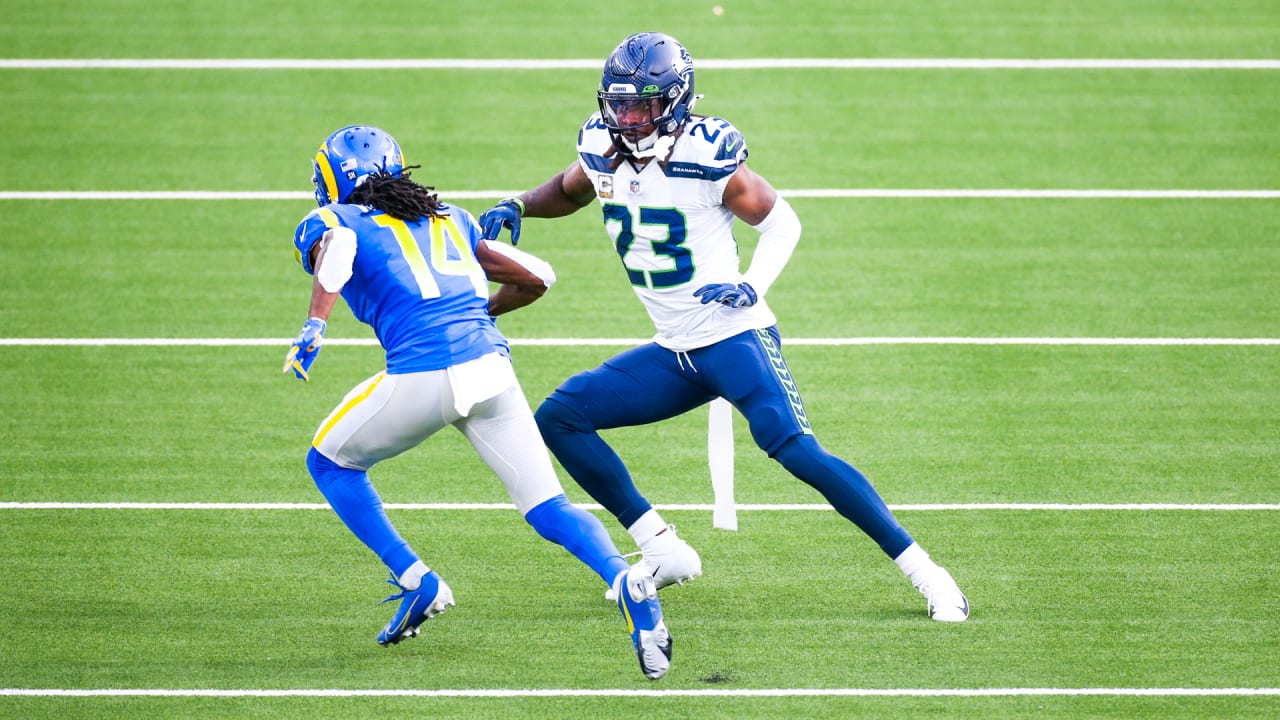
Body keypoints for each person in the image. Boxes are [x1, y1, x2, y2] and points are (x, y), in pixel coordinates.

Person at [478, 33, 969, 622]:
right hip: (674, 350)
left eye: (642, 106)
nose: (628, 119)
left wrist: (751, 285)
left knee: (795, 451)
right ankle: (664, 550)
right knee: (561, 418)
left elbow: (782, 223)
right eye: (620, 105)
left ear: (676, 100)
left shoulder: (704, 153)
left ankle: (927, 572)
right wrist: (520, 203)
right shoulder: (602, 146)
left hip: (734, 336)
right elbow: (568, 189)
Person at [283, 124, 673, 679]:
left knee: (330, 462)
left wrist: (313, 325)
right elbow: (539, 277)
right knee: (549, 506)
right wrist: (475, 316)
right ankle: (621, 576)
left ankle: (417, 579)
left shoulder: (333, 221)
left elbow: (341, 250)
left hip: (422, 376)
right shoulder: (452, 218)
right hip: (491, 371)